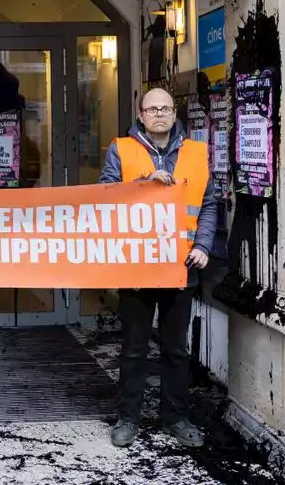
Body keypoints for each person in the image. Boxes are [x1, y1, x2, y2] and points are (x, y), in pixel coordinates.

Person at [100, 87, 221, 449]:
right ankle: (128, 418)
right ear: (140, 115)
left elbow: (209, 203)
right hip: (137, 265)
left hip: (181, 265)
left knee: (175, 349)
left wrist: (202, 245)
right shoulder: (121, 149)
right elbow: (105, 196)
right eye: (151, 109)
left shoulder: (196, 151)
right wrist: (143, 184)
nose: (158, 114)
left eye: (165, 108)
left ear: (174, 113)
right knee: (134, 347)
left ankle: (176, 417)